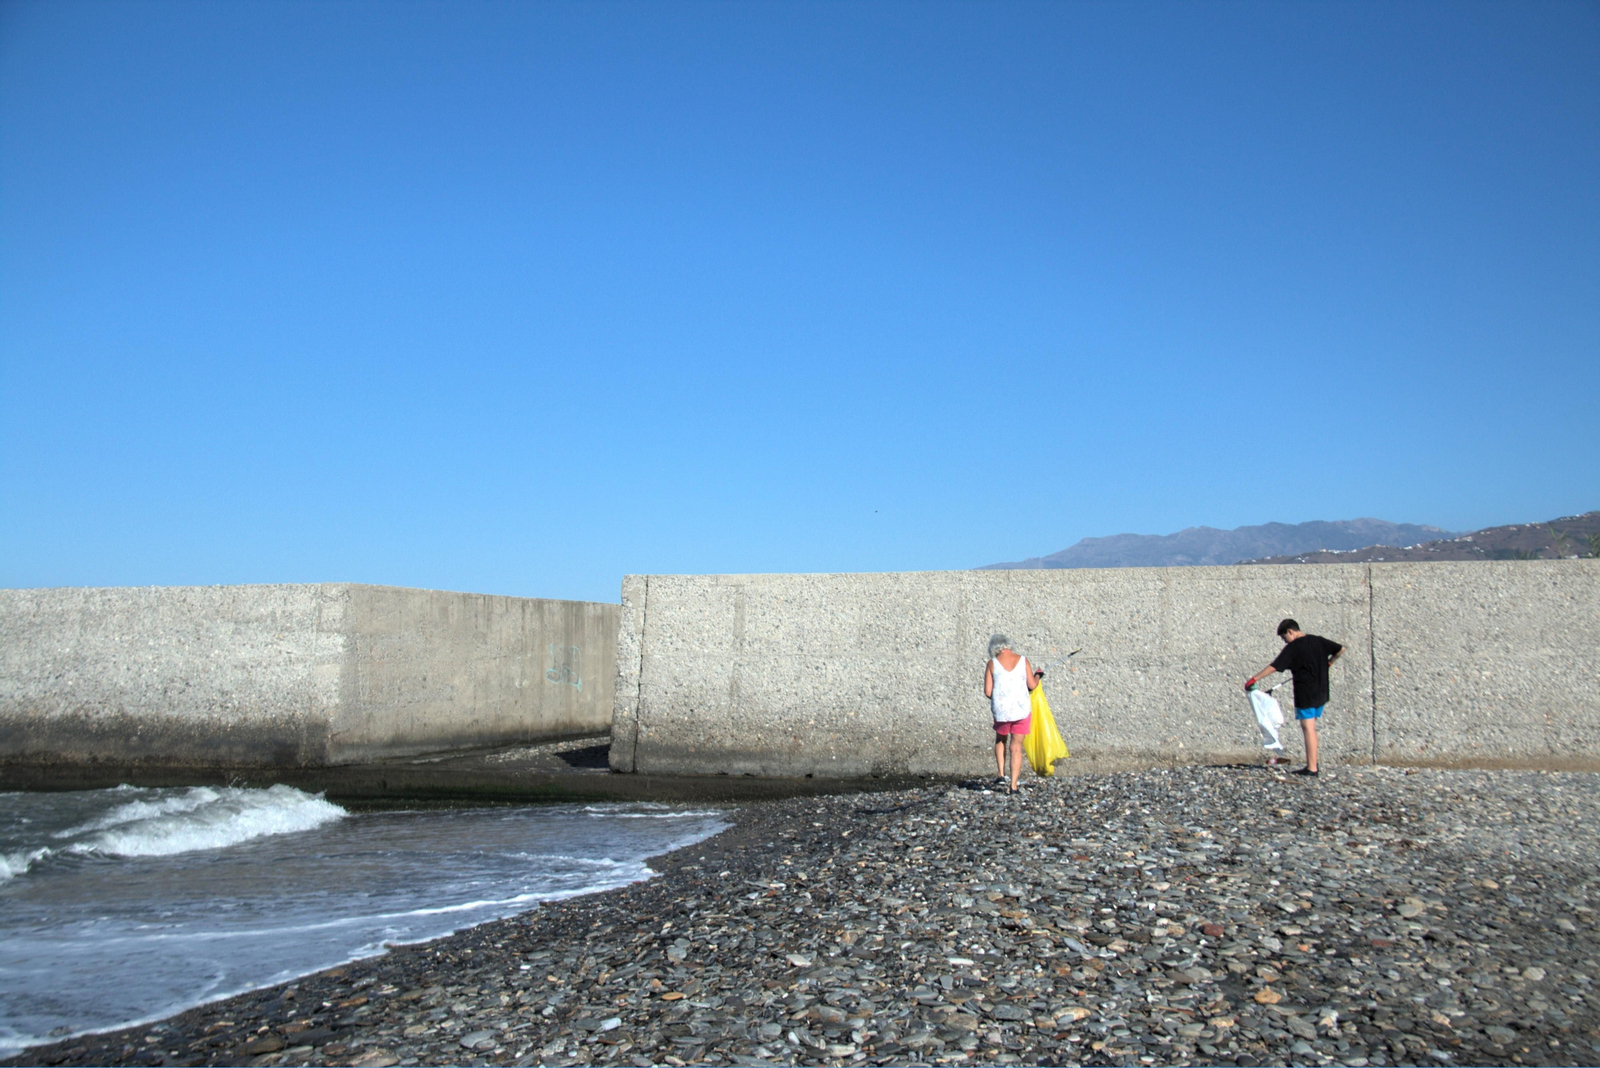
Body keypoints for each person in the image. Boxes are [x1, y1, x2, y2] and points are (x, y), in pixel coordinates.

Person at [1244, 619, 1344, 777]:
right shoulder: (1318, 641)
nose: (1285, 642)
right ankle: (1313, 763)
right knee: (1312, 728)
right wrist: (1329, 663)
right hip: (1322, 691)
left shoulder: (1294, 647)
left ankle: (1312, 768)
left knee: (1308, 729)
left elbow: (1275, 666)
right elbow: (1340, 649)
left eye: (1284, 638)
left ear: (1290, 631)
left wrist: (1254, 679)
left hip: (1306, 693)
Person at [983, 634, 1039, 795]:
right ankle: (1013, 786)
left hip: (1002, 711)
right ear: (1009, 646)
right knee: (1016, 747)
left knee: (1001, 739)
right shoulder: (1023, 660)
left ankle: (1001, 774)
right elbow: (1032, 685)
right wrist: (1038, 675)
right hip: (1021, 710)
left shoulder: (992, 663)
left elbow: (988, 692)